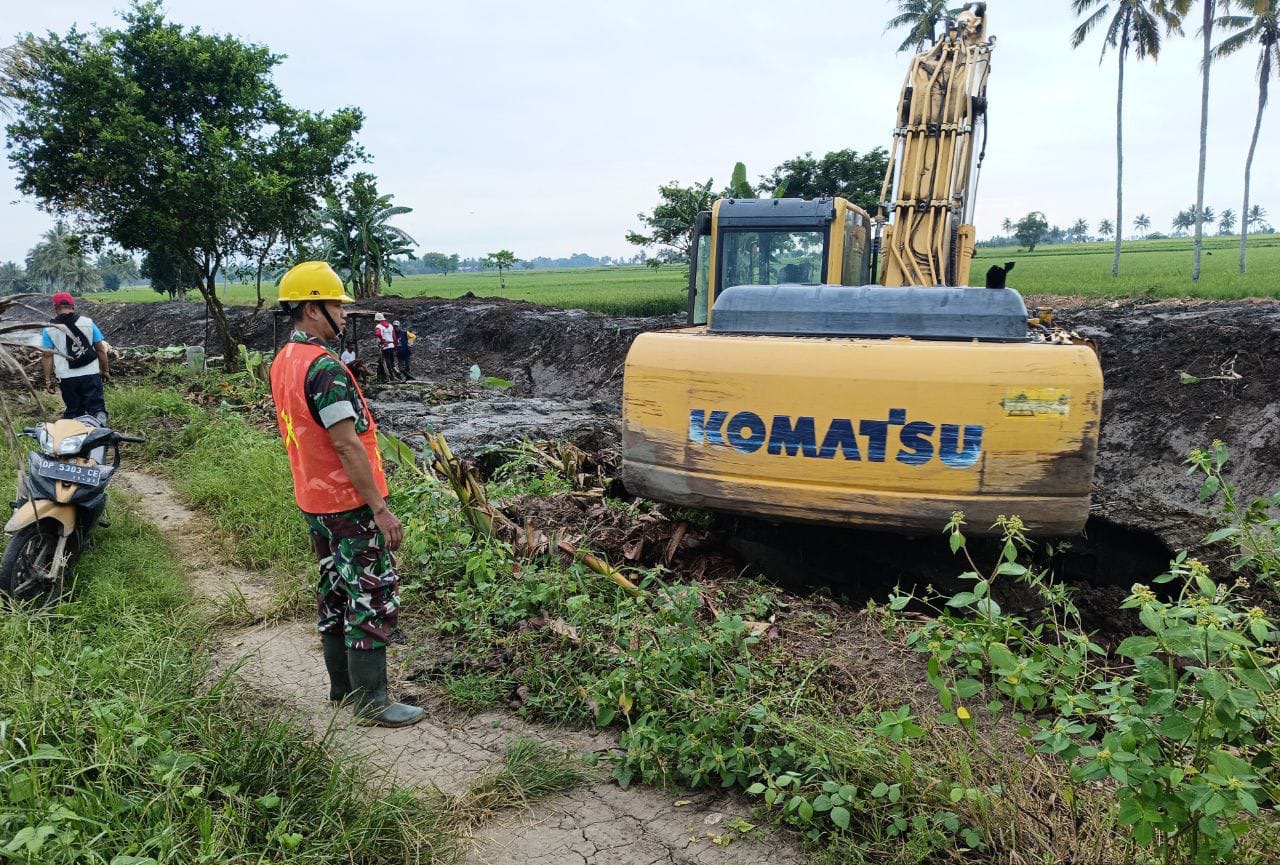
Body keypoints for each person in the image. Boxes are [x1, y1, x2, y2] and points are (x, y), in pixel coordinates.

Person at [268, 261, 424, 728]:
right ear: (312, 308)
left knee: (334, 588)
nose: (341, 312)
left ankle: (342, 688)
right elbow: (345, 441)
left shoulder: (284, 360)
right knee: (371, 593)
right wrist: (379, 507)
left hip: (312, 499)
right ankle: (372, 701)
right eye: (336, 303)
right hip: (348, 503)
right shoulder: (323, 369)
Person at [41, 292, 110, 424]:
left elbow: (47, 355)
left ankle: (76, 433)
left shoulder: (49, 329)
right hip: (90, 373)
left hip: (66, 377)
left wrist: (48, 380)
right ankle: (99, 425)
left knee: (74, 409)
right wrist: (105, 370)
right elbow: (100, 349)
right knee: (96, 407)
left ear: (55, 308)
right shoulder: (89, 323)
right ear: (73, 306)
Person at [373, 312, 395, 382]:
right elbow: (394, 336)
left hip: (385, 346)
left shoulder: (378, 326)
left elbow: (378, 334)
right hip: (391, 345)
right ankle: (381, 377)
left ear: (376, 320)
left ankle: (389, 376)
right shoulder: (390, 326)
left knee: (385, 362)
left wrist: (383, 340)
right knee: (387, 361)